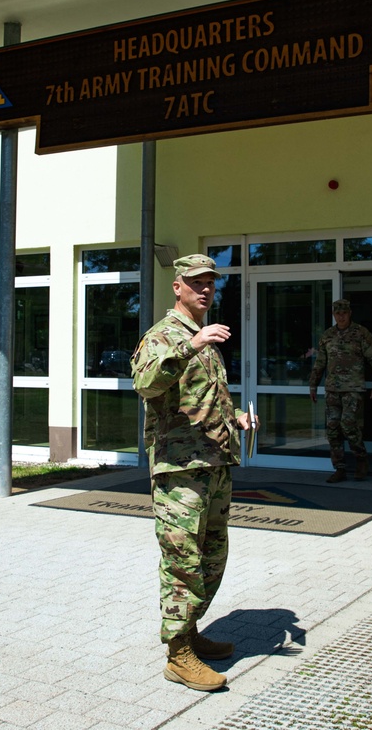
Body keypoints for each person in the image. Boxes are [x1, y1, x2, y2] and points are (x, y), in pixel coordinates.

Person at [132, 253, 255, 692]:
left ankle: (191, 630)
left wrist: (236, 417)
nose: (205, 290)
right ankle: (177, 653)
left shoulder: (205, 336)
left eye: (211, 283)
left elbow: (202, 399)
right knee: (182, 561)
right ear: (177, 287)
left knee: (212, 557)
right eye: (196, 282)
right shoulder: (164, 336)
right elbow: (146, 384)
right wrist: (191, 345)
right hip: (179, 468)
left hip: (215, 464)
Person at [308, 299, 372, 482]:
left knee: (348, 424)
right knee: (333, 428)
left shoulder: (360, 333)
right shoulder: (328, 335)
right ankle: (340, 468)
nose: (341, 316)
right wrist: (313, 384)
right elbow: (320, 363)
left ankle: (361, 460)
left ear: (349, 313)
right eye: (337, 313)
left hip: (353, 389)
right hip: (333, 389)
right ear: (334, 315)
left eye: (344, 313)